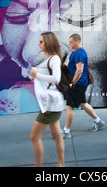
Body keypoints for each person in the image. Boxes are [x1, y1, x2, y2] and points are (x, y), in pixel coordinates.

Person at [29, 32, 65, 167]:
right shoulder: (50, 59)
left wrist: (37, 74)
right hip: (52, 103)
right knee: (56, 134)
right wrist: (36, 75)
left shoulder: (54, 59)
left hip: (50, 104)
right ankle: (61, 165)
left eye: (41, 42)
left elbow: (56, 78)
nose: (39, 44)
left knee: (34, 137)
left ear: (48, 43)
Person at [62, 34, 105, 138]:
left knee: (70, 106)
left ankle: (66, 131)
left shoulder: (80, 53)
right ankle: (98, 121)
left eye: (71, 41)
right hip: (79, 83)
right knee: (82, 104)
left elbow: (80, 70)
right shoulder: (75, 53)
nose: (69, 43)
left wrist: (73, 82)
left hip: (78, 83)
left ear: (77, 41)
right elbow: (66, 65)